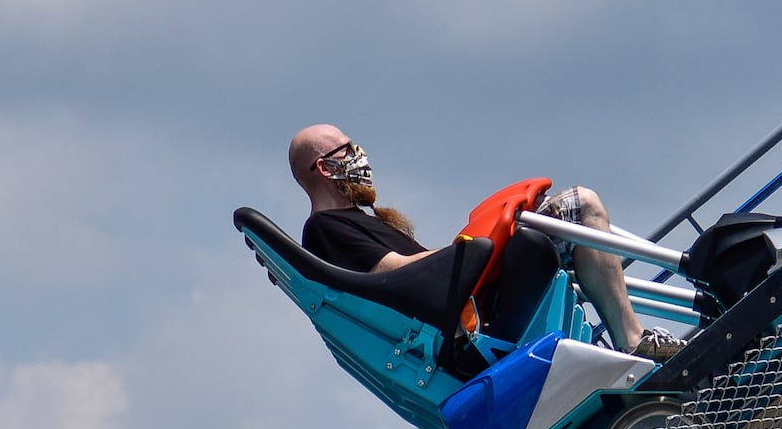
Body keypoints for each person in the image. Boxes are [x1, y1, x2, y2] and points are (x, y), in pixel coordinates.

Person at [286, 124, 682, 362]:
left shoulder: (358, 220)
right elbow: (396, 275)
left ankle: (631, 335)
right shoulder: (325, 229)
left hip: (468, 303)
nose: (361, 158)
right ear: (325, 167)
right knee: (581, 205)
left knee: (548, 227)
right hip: (466, 326)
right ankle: (633, 340)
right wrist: (475, 244)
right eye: (349, 151)